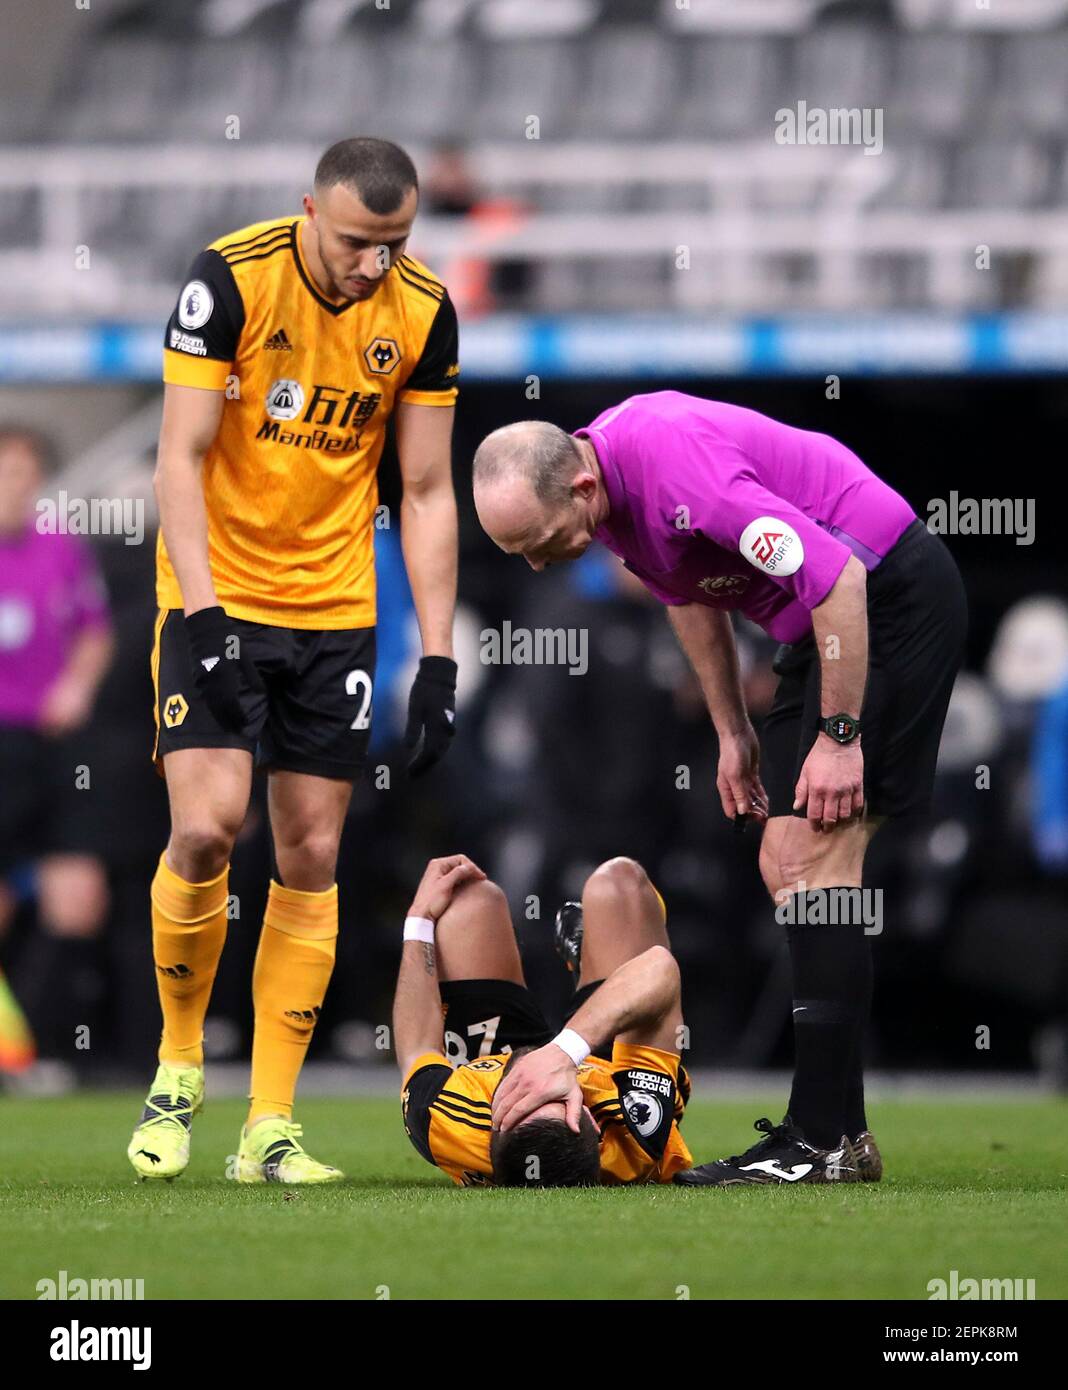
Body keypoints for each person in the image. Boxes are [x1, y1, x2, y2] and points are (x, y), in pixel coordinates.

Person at [472, 391, 968, 1185]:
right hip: (820, 627)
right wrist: (732, 729)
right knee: (789, 864)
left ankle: (820, 1139)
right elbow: (690, 595)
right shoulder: (610, 502)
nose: (536, 563)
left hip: (885, 599)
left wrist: (841, 740)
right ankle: (842, 1135)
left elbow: (835, 574)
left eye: (537, 543)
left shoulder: (678, 471)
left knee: (813, 859)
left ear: (580, 489)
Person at [128, 138, 461, 1184]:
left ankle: (268, 1124)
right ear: (308, 209)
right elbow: (178, 458)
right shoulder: (230, 278)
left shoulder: (421, 310)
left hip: (335, 614)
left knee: (311, 855)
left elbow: (428, 491)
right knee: (204, 827)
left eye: (396, 242)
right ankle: (179, 1064)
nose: (376, 264)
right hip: (214, 592)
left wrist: (438, 659)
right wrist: (212, 615)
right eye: (361, 241)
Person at [393, 854, 693, 1187]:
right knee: (620, 883)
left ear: (492, 1125)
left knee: (468, 900)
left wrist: (418, 920)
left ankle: (591, 965)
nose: (538, 1083)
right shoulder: (632, 1128)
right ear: (593, 1126)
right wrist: (563, 1053)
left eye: (520, 1099)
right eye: (554, 1096)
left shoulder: (449, 1120)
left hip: (492, 1060)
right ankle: (595, 971)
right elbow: (659, 969)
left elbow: (416, 1045)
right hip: (608, 1067)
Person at [0, 426, 114, 1074]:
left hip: (54, 748)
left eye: (25, 474)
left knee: (79, 895)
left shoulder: (61, 549)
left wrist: (75, 686)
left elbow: (93, 634)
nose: (16, 487)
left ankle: (43, 1051)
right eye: (5, 474)